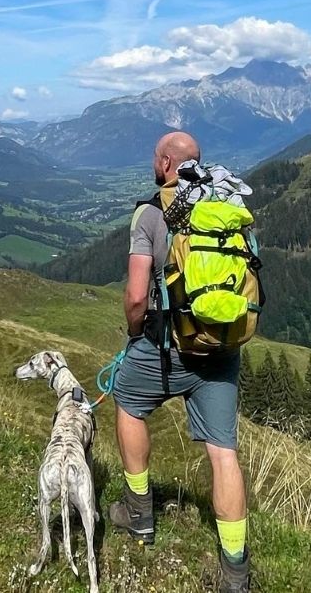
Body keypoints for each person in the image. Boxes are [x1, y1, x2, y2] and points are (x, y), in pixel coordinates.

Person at [108, 132, 251, 592]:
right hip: (220, 347)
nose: (154, 163)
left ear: (166, 162)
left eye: (155, 157)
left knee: (128, 401)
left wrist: (136, 335)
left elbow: (135, 296)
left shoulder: (152, 212)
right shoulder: (227, 203)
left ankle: (139, 513)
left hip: (165, 345)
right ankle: (235, 570)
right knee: (222, 451)